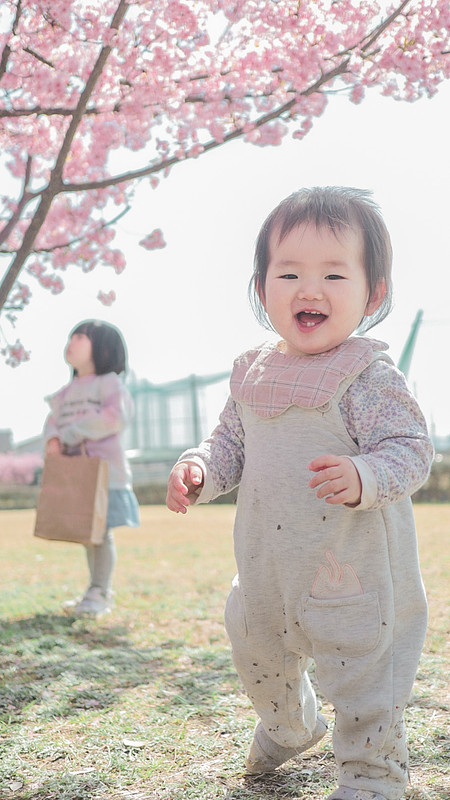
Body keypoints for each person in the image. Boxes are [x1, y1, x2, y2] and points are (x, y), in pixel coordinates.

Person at [166, 187, 434, 800]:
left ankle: (373, 773)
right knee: (257, 651)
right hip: (267, 566)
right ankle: (291, 726)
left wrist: (365, 474)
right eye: (288, 273)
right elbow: (230, 445)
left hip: (351, 569)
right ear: (262, 289)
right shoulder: (252, 373)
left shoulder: (365, 375)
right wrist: (200, 468)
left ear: (373, 294)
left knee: (363, 671)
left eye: (334, 274)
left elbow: (412, 448)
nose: (309, 289)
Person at [43, 319, 139, 617]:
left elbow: (115, 416)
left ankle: (100, 591)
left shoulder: (108, 383)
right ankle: (94, 590)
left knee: (101, 534)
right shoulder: (66, 391)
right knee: (88, 534)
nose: (71, 342)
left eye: (80, 337)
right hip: (77, 475)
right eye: (70, 336)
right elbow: (52, 421)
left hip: (106, 475)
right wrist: (53, 439)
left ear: (103, 348)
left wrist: (70, 434)